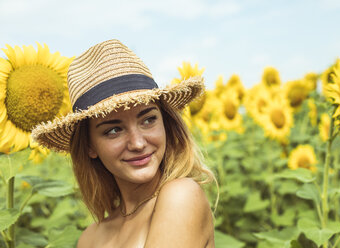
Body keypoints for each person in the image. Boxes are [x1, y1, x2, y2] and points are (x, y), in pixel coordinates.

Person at [32, 39, 217, 247]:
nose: (137, 144)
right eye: (114, 130)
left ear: (165, 122)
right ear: (89, 146)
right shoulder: (89, 238)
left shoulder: (181, 196)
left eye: (148, 120)